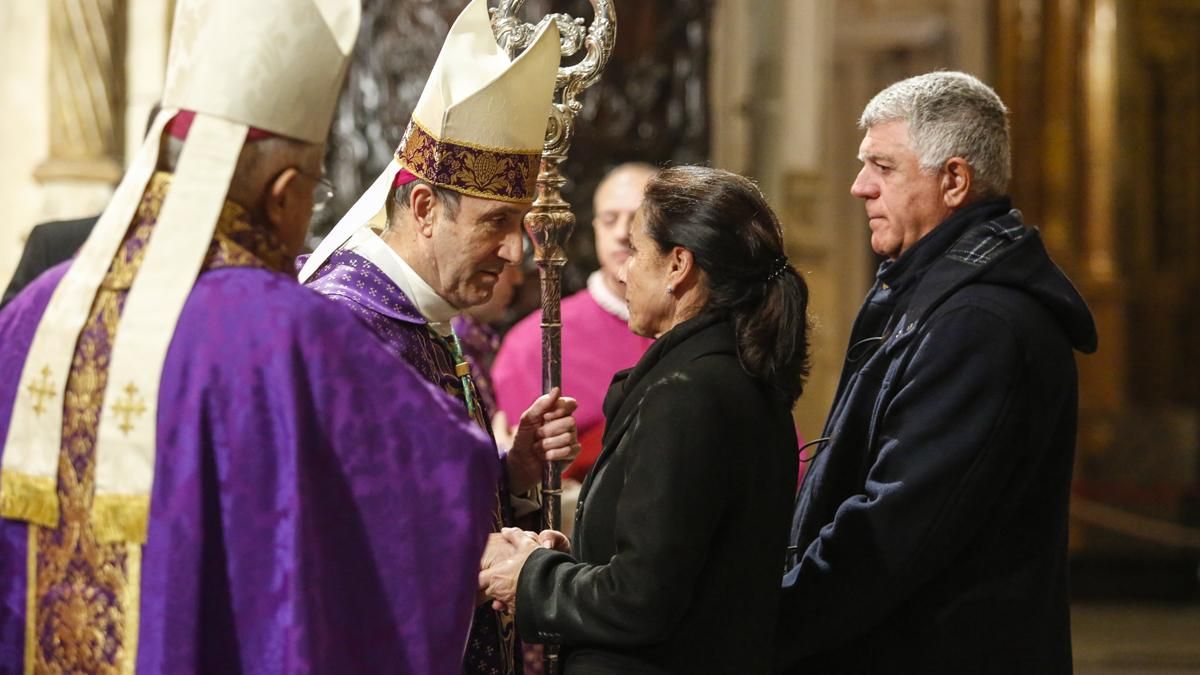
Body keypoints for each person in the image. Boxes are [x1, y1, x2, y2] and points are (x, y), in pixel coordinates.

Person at [0, 2, 499, 672]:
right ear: (283, 193)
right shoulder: (292, 334)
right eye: (314, 195)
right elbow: (435, 486)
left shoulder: (35, 308)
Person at [774, 71, 1097, 673]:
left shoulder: (980, 323)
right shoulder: (934, 296)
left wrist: (773, 625)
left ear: (953, 180)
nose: (858, 187)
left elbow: (895, 527)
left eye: (884, 167)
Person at [298, 3, 578, 673]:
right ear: (424, 208)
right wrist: (490, 558)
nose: (517, 251)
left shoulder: (421, 317)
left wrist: (510, 474)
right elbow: (331, 535)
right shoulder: (345, 327)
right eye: (496, 223)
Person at [479, 165, 811, 674]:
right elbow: (676, 558)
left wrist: (531, 578)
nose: (622, 271)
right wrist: (570, 560)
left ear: (678, 265)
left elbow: (640, 601)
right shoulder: (732, 378)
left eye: (636, 251)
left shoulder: (688, 394)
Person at [492, 163, 656, 487]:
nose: (622, 233)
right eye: (610, 220)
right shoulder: (532, 343)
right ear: (595, 228)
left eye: (639, 219)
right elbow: (523, 479)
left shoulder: (703, 328)